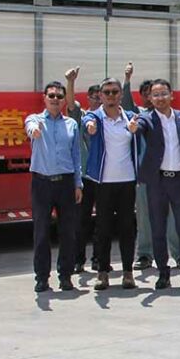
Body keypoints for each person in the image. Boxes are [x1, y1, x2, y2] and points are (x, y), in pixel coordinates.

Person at [132, 78, 180, 290]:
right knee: (158, 229)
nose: (160, 98)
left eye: (164, 93)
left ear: (171, 95)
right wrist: (134, 127)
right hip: (157, 181)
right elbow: (139, 127)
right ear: (150, 98)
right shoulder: (146, 119)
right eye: (156, 95)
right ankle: (163, 273)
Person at [82, 77, 140, 291]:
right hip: (103, 182)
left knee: (127, 228)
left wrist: (136, 129)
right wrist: (90, 127)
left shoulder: (130, 117)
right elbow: (87, 121)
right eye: (106, 92)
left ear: (121, 95)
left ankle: (127, 272)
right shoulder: (95, 117)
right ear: (100, 96)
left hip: (127, 181)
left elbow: (143, 128)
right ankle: (103, 272)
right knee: (103, 228)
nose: (111, 96)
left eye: (115, 92)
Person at [25, 81, 83, 293]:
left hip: (66, 182)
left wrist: (78, 183)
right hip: (42, 182)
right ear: (44, 98)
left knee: (68, 232)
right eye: (51, 96)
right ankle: (42, 278)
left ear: (64, 100)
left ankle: (65, 275)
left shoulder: (71, 124)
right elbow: (31, 129)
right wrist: (35, 131)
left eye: (59, 96)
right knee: (41, 232)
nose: (55, 100)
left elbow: (76, 155)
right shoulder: (35, 119)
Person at [64, 68, 100, 273]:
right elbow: (70, 104)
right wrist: (70, 82)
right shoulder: (81, 116)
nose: (98, 100)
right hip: (84, 176)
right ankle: (79, 260)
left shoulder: (108, 118)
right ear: (88, 98)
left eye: (100, 96)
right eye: (94, 97)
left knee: (102, 221)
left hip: (103, 176)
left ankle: (98, 258)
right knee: (81, 220)